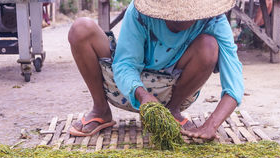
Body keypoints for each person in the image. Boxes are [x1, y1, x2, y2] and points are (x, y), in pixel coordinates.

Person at [68, 0, 244, 141]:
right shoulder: (140, 12)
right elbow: (125, 64)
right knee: (81, 28)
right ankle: (100, 109)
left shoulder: (214, 21)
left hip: (173, 88)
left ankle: (172, 111)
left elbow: (234, 83)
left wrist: (211, 125)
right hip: (123, 86)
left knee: (209, 46)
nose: (179, 17)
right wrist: (143, 95)